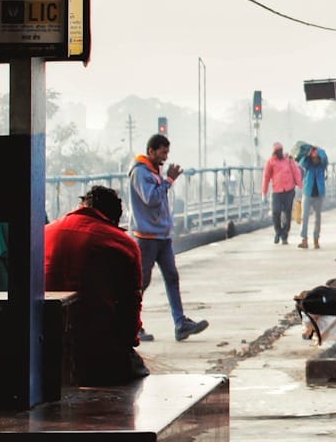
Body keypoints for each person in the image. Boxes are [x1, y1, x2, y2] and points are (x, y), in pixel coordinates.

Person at [43, 185, 148, 385]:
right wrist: (128, 345)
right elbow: (131, 305)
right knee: (137, 373)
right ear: (114, 218)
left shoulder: (44, 233)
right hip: (97, 348)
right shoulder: (122, 243)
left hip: (45, 345)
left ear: (82, 205)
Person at [129, 133, 210, 342]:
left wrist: (166, 180)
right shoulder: (140, 173)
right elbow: (151, 199)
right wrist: (169, 181)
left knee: (172, 277)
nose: (165, 157)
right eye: (162, 152)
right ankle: (131, 326)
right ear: (151, 151)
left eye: (167, 152)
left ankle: (180, 323)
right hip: (146, 237)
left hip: (162, 236)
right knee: (141, 283)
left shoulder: (155, 172)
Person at [262, 141, 302, 244]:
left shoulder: (288, 160)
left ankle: (284, 235)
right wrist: (264, 192)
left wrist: (300, 186)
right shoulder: (271, 162)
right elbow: (266, 178)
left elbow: (296, 172)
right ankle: (278, 231)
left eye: (281, 150)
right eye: (278, 151)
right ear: (274, 152)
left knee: (287, 213)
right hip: (277, 191)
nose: (280, 153)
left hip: (289, 190)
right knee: (276, 212)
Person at [296, 143, 328, 248]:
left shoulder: (322, 165)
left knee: (317, 218)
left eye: (316, 157)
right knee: (304, 217)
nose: (314, 159)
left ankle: (316, 239)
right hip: (307, 193)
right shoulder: (308, 164)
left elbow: (324, 158)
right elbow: (300, 163)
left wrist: (317, 150)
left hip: (319, 194)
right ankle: (304, 239)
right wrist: (309, 153)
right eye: (313, 157)